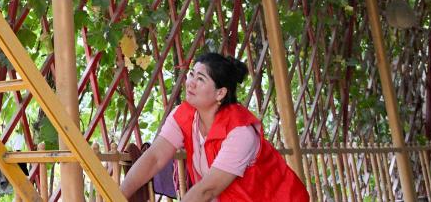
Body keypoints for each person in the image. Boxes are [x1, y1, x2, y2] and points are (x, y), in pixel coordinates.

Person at [120, 53, 310, 202]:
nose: (191, 82)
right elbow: (154, 158)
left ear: (220, 93)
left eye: (201, 79)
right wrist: (117, 196)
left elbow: (208, 190)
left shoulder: (240, 132)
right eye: (191, 74)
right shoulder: (184, 115)